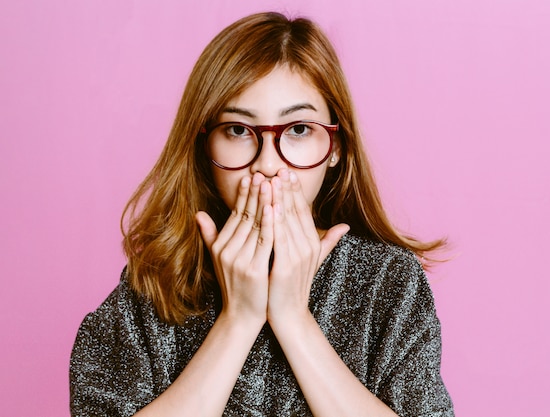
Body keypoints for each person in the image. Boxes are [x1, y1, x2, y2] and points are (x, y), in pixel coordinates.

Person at [70, 11, 454, 417]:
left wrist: (293, 319)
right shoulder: (155, 283)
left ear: (337, 147)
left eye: (299, 129)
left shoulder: (388, 281)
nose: (268, 164)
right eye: (238, 130)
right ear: (205, 147)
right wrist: (238, 320)